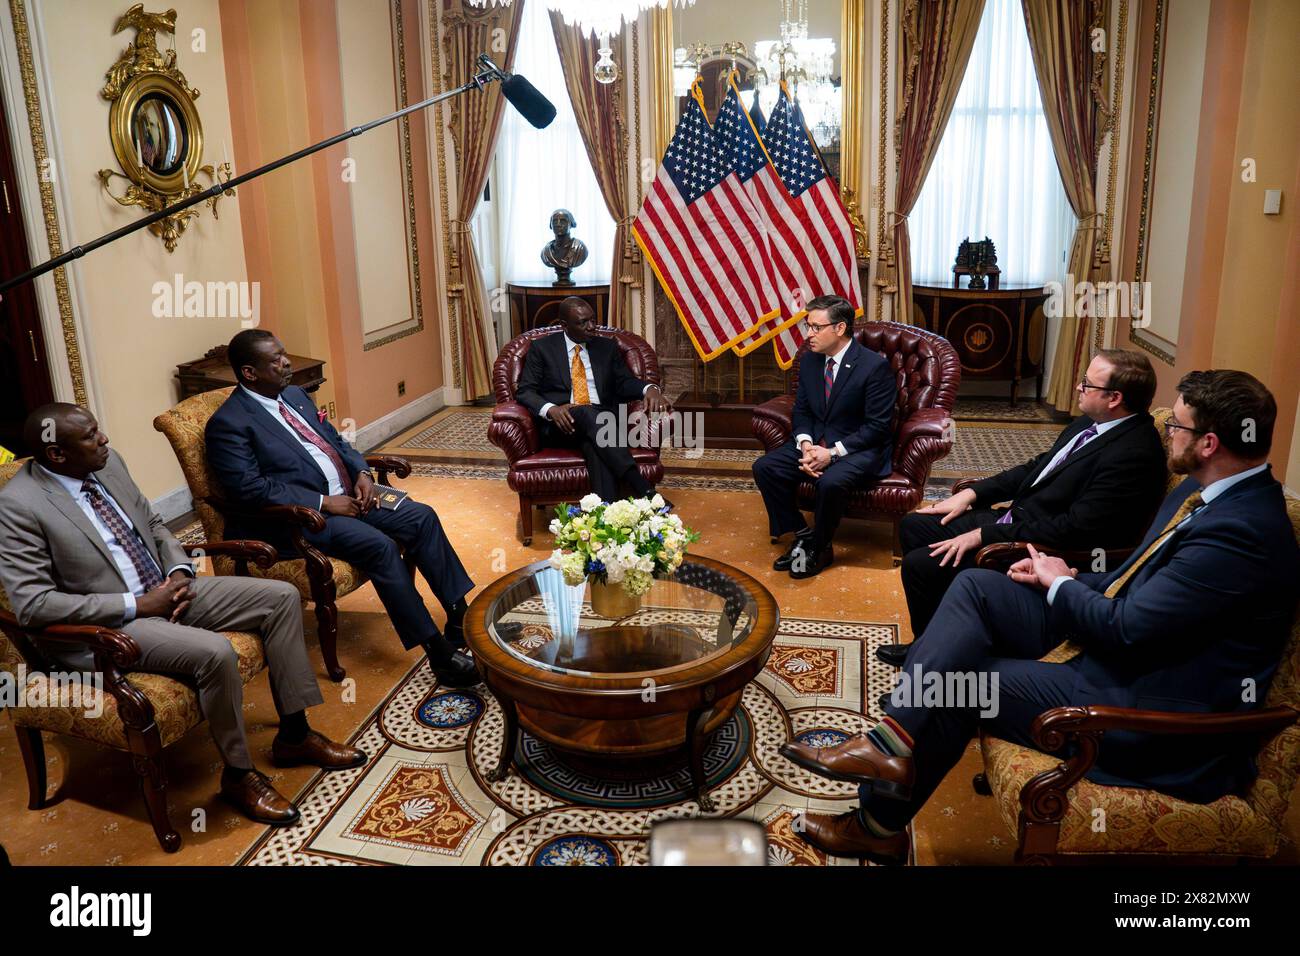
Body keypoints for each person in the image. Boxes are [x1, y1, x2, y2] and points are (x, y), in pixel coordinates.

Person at [781, 369, 1299, 862]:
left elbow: (1129, 628)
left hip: (1151, 709)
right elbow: (1133, 577)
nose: (1169, 434)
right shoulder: (1202, 493)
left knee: (959, 683)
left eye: (1178, 426)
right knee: (978, 586)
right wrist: (1053, 577)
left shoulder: (1242, 534)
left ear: (1209, 443)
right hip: (1119, 644)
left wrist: (1063, 584)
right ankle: (892, 740)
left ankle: (878, 829)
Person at [0, 404, 364, 826]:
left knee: (281, 597)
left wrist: (177, 570)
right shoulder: (18, 505)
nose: (105, 440)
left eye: (99, 429)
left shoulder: (108, 464)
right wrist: (139, 605)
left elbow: (152, 524)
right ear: (58, 455)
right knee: (214, 652)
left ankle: (295, 736)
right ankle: (240, 775)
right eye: (91, 436)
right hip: (111, 624)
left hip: (168, 588)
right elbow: (33, 603)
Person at [204, 329, 477, 688]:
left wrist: (362, 472)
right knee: (378, 546)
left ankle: (458, 617)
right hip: (299, 519)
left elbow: (337, 441)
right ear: (249, 373)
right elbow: (248, 489)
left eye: (283, 353)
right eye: (275, 360)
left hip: (350, 497)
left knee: (421, 517)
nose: (286, 362)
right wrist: (324, 502)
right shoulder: (229, 424)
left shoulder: (295, 395)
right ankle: (438, 653)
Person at [886, 348, 1167, 653]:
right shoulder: (1091, 423)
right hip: (1015, 521)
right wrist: (972, 493)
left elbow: (1075, 528)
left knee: (921, 566)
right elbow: (1037, 467)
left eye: (1087, 384)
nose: (1078, 387)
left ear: (1114, 398)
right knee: (916, 525)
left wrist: (982, 535)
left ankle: (934, 653)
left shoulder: (1133, 454)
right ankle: (932, 641)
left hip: (1038, 546)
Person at [751, 295, 895, 579]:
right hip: (816, 442)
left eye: (816, 327)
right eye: (808, 326)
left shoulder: (873, 367)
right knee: (765, 467)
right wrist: (806, 444)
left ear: (839, 329)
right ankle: (804, 535)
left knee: (830, 482)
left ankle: (821, 545)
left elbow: (877, 427)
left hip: (859, 447)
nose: (809, 334)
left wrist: (832, 453)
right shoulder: (809, 362)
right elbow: (802, 410)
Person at [515, 296, 674, 504]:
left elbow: (624, 383)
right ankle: (642, 487)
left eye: (593, 320)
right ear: (564, 325)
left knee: (593, 441)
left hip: (602, 424)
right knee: (585, 411)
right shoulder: (542, 348)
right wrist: (551, 409)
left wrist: (650, 389)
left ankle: (605, 512)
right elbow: (526, 391)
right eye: (583, 322)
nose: (591, 327)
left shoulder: (606, 347)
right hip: (562, 425)